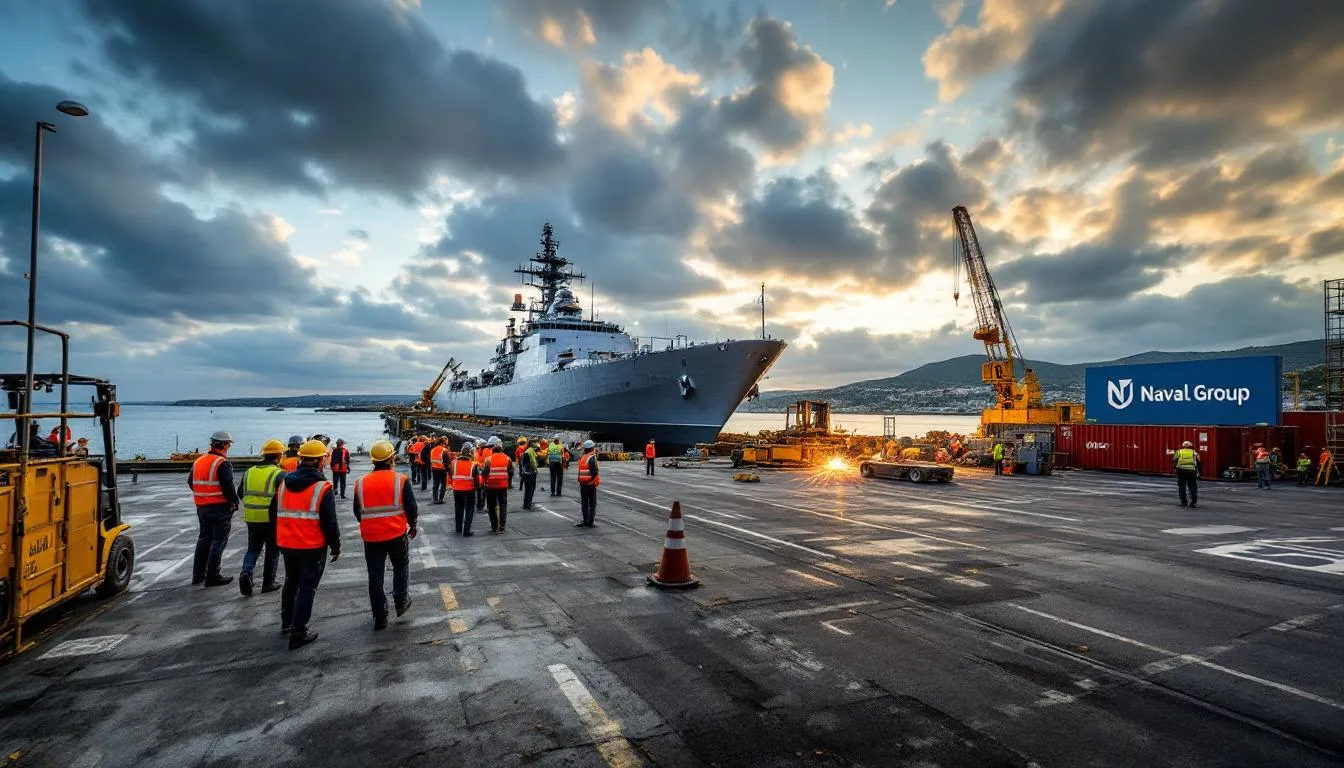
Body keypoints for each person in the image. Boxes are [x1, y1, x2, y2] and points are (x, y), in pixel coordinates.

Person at [272, 439, 341, 650]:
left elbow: (272, 512)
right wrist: (335, 545)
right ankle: (299, 631)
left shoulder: (284, 483)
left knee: (291, 582)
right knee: (307, 587)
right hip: (311, 545)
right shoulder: (322, 488)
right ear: (321, 462)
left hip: (286, 543)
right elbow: (329, 522)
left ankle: (287, 623)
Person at [353, 440, 418, 630]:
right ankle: (401, 599)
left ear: (373, 461)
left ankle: (380, 615)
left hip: (371, 537)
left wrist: (370, 523)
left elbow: (357, 511)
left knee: (375, 576)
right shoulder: (401, 480)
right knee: (400, 566)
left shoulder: (360, 483)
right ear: (391, 458)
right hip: (396, 533)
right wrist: (412, 525)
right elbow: (411, 507)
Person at [188, 431, 240, 587]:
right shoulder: (222, 463)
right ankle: (213, 575)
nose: (229, 446)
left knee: (204, 539)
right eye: (228, 444)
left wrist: (202, 494)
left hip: (202, 506)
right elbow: (228, 486)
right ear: (224, 445)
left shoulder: (199, 461)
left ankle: (198, 575)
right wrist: (234, 501)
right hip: (219, 507)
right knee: (218, 541)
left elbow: (191, 481)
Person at [237, 439, 287, 596]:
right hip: (271, 518)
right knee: (272, 550)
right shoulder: (279, 474)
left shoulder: (249, 471)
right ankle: (268, 582)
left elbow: (240, 493)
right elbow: (285, 497)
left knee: (253, 548)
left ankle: (246, 572)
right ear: (279, 456)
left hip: (251, 516)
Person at [481, 436, 513, 533]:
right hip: (503, 486)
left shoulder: (488, 459)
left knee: (491, 507)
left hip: (490, 487)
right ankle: (502, 525)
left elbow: (484, 474)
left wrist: (483, 483)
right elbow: (510, 472)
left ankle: (494, 527)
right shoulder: (507, 459)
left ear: (492, 449)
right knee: (503, 506)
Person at [450, 444, 480, 536]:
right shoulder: (473, 465)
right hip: (469, 490)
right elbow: (477, 479)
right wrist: (478, 487)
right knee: (469, 509)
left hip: (457, 489)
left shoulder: (453, 463)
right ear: (470, 454)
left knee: (458, 508)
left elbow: (450, 475)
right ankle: (466, 530)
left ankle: (458, 528)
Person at [576, 439, 599, 528]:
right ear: (591, 448)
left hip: (583, 484)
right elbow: (594, 472)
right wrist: (591, 481)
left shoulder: (583, 458)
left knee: (584, 503)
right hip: (590, 484)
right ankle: (590, 521)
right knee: (592, 503)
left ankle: (585, 520)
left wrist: (580, 480)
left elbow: (580, 471)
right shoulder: (592, 458)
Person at [1172, 440, 1201, 508]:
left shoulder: (1178, 452)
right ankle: (1193, 502)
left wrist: (1175, 469)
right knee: (1193, 487)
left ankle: (1184, 502)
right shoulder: (1194, 453)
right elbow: (1198, 463)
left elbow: (1174, 461)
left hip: (1181, 471)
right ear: (1191, 446)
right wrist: (1199, 472)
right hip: (1192, 472)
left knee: (1182, 486)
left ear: (1182, 446)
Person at [520, 439, 539, 509]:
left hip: (526, 473)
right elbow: (533, 462)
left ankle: (526, 504)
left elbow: (521, 463)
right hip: (531, 473)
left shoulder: (527, 451)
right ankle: (528, 504)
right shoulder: (530, 451)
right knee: (531, 489)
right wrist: (535, 469)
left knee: (527, 489)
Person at [429, 436, 449, 504]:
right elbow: (446, 462)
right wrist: (448, 470)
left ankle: (435, 499)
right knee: (443, 484)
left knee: (435, 484)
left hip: (434, 469)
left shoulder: (433, 450)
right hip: (442, 470)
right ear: (444, 442)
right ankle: (441, 499)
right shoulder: (444, 450)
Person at [475, 439, 492, 511]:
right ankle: (487, 505)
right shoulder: (488, 450)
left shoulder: (476, 451)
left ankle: (479, 506)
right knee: (486, 490)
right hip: (486, 471)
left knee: (478, 490)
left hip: (477, 472)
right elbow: (489, 462)